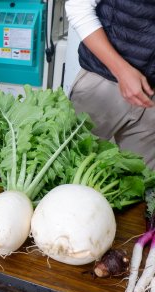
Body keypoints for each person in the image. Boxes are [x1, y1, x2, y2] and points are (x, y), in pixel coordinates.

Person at [65, 0, 155, 170]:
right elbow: (77, 7)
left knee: (139, 183)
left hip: (150, 100)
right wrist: (122, 71)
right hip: (102, 83)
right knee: (68, 169)